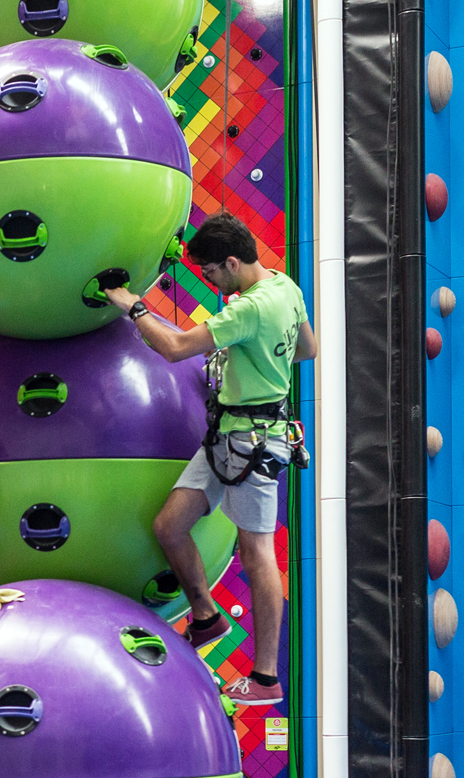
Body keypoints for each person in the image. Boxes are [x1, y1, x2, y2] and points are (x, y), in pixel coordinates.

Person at [104, 211, 318, 708]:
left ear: (231, 261)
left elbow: (176, 348)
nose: (212, 284)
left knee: (257, 552)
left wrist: (133, 306)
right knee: (169, 526)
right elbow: (307, 348)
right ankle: (205, 614)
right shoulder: (284, 286)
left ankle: (265, 677)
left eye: (212, 274)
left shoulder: (248, 310)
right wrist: (261, 363)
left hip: (252, 444)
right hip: (228, 436)